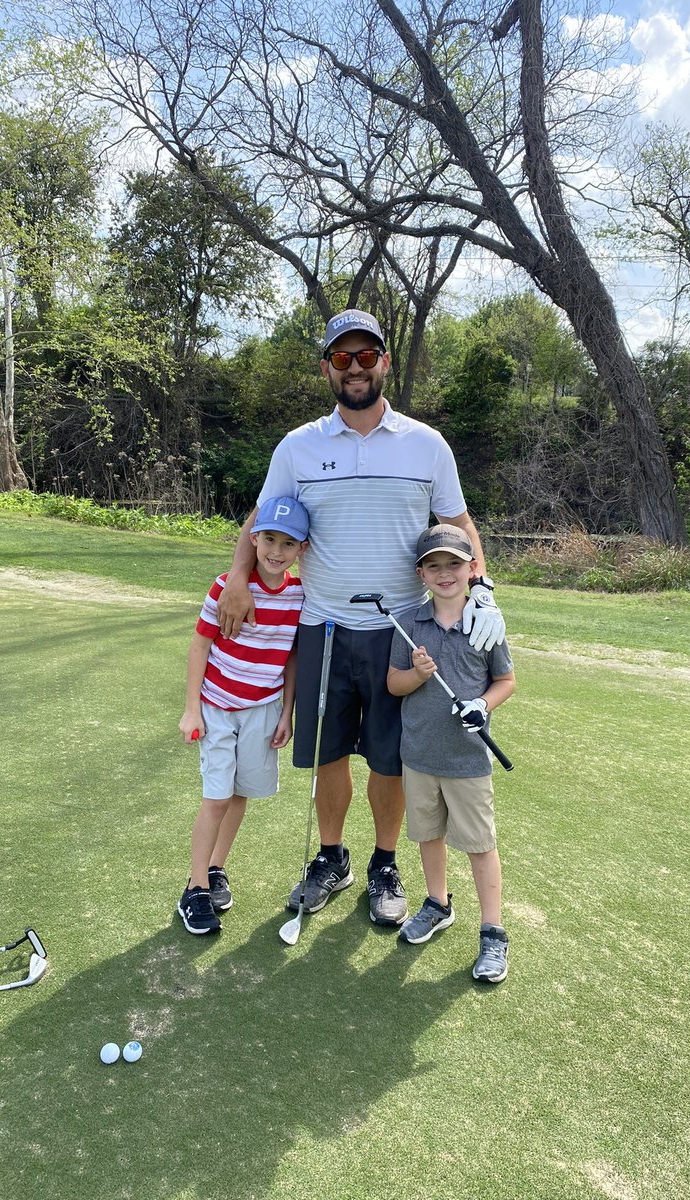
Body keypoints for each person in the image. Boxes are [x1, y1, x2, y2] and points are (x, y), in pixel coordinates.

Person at [217, 308, 506, 927]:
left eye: (366, 356)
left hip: (401, 631)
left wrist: (481, 588)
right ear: (327, 366)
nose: (355, 368)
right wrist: (238, 577)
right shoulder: (299, 446)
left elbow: (458, 524)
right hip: (321, 626)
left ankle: (382, 862)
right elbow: (261, 522)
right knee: (328, 756)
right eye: (342, 358)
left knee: (387, 758)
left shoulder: (427, 444)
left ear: (385, 362)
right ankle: (330, 858)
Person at [386, 524, 515, 983]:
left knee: (480, 845)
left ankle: (493, 932)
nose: (445, 574)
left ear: (472, 569)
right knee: (428, 835)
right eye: (434, 566)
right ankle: (438, 903)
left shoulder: (487, 622)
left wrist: (482, 704)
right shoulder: (409, 624)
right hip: (418, 755)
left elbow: (505, 682)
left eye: (455, 565)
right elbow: (394, 684)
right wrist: (418, 675)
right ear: (421, 574)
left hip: (467, 759)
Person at [177, 496, 308, 934]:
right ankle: (194, 889)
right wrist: (191, 708)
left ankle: (216, 869)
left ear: (300, 550)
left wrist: (286, 713)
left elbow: (290, 658)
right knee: (216, 797)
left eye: (288, 543)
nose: (276, 551)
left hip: (264, 709)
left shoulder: (297, 595)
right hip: (216, 707)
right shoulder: (225, 587)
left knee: (238, 795)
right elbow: (200, 646)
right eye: (269, 539)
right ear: (253, 539)